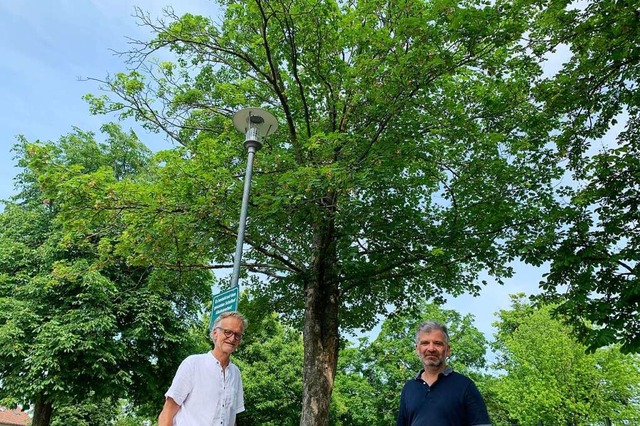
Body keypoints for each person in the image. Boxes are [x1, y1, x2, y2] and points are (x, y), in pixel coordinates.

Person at [158, 311, 248, 426]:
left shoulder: (236, 373)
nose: (232, 338)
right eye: (228, 332)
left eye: (237, 335)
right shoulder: (193, 364)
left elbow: (231, 417)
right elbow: (167, 413)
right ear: (215, 333)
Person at [396, 320, 491, 426]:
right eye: (425, 343)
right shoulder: (409, 388)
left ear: (447, 350)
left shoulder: (465, 386)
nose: (431, 348)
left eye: (437, 343)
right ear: (417, 349)